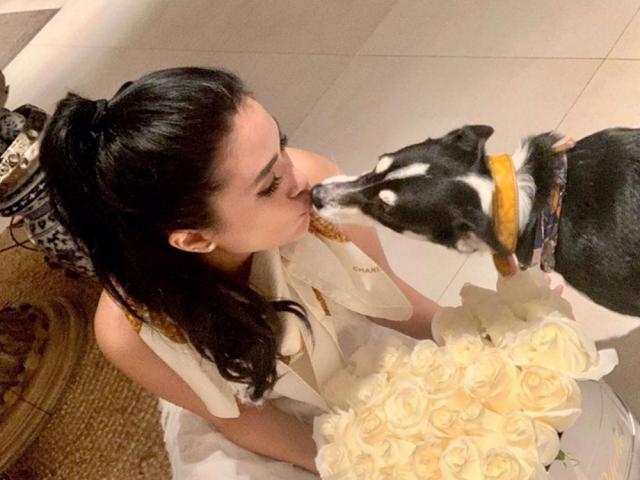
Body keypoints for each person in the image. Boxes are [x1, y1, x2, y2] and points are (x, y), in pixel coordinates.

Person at [39, 67, 439, 479]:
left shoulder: (319, 185)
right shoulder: (132, 332)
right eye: (269, 185)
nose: (301, 179)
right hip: (255, 411)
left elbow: (389, 298)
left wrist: (472, 328)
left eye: (281, 144)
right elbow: (243, 419)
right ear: (194, 239)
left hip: (346, 344)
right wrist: (351, 466)